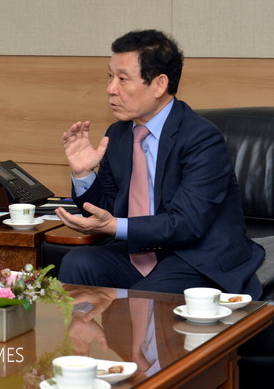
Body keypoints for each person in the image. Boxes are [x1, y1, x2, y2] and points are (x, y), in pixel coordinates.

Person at [55, 29, 264, 298]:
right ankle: (81, 326)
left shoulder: (201, 137)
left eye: (122, 79)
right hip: (140, 251)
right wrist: (84, 174)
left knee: (147, 296)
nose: (110, 89)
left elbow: (188, 224)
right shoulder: (117, 135)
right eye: (110, 76)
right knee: (78, 262)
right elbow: (107, 212)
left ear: (159, 84)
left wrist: (115, 226)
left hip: (196, 256)